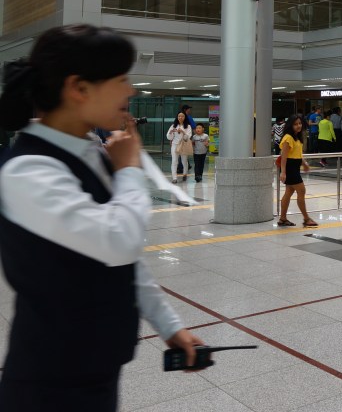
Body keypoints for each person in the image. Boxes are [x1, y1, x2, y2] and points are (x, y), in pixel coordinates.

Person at [0, 24, 203, 410]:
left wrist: (169, 324)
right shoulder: (27, 170)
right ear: (79, 88)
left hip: (97, 368)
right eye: (122, 79)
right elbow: (116, 240)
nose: (130, 91)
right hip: (49, 383)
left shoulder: (90, 151)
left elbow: (125, 264)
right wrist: (127, 171)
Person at [277, 114, 317, 228]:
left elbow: (298, 153)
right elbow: (284, 156)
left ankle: (283, 219)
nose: (298, 126)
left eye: (299, 123)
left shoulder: (296, 137)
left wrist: (304, 163)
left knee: (289, 192)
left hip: (294, 167)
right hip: (290, 167)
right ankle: (306, 219)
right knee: (301, 191)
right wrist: (283, 172)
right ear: (290, 125)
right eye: (295, 124)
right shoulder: (288, 138)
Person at [166, 111, 192, 184]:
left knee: (184, 161)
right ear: (177, 117)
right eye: (179, 116)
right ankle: (174, 178)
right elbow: (169, 138)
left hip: (183, 145)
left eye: (182, 116)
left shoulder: (188, 126)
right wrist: (171, 132)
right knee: (174, 161)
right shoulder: (173, 126)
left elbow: (187, 138)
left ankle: (185, 174)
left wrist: (183, 131)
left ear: (185, 117)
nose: (180, 117)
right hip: (174, 145)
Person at [176, 104, 196, 178]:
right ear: (185, 110)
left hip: (179, 139)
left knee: (181, 152)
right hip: (186, 138)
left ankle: (184, 167)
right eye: (188, 109)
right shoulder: (189, 117)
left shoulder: (178, 117)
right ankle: (182, 167)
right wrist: (195, 137)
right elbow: (193, 127)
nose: (189, 110)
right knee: (184, 153)